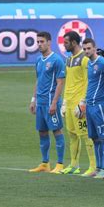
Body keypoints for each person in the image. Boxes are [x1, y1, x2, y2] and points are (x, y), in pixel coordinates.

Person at [59, 31, 97, 176]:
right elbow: (69, 82)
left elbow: (88, 81)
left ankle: (93, 167)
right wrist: (64, 102)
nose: (64, 45)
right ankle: (74, 165)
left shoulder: (84, 59)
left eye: (66, 42)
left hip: (79, 104)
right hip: (69, 103)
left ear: (74, 43)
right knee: (72, 134)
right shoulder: (68, 59)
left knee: (85, 134)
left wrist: (82, 102)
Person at [29, 31, 66, 173]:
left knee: (57, 130)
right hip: (40, 103)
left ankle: (60, 164)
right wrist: (33, 100)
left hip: (51, 102)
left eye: (42, 41)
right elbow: (38, 80)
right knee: (42, 132)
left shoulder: (57, 60)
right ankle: (45, 163)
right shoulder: (39, 60)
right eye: (37, 42)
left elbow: (60, 83)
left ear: (49, 42)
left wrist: (54, 102)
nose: (39, 44)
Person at [82, 38, 104, 179]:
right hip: (90, 105)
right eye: (85, 49)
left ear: (95, 48)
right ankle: (98, 167)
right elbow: (91, 84)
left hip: (100, 105)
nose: (86, 51)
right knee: (94, 138)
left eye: (89, 48)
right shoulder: (89, 63)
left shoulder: (103, 63)